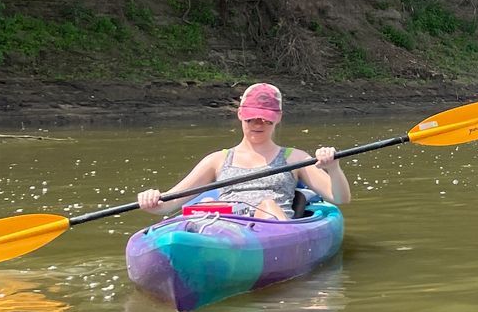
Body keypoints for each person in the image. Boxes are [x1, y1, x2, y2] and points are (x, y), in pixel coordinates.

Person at [137, 83, 352, 221]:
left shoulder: (295, 158)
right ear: (240, 114)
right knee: (207, 205)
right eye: (251, 118)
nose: (258, 124)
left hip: (272, 230)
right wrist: (151, 200)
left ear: (278, 118)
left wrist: (333, 167)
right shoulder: (217, 160)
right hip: (228, 228)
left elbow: (340, 198)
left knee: (266, 205)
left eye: (265, 119)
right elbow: (168, 206)